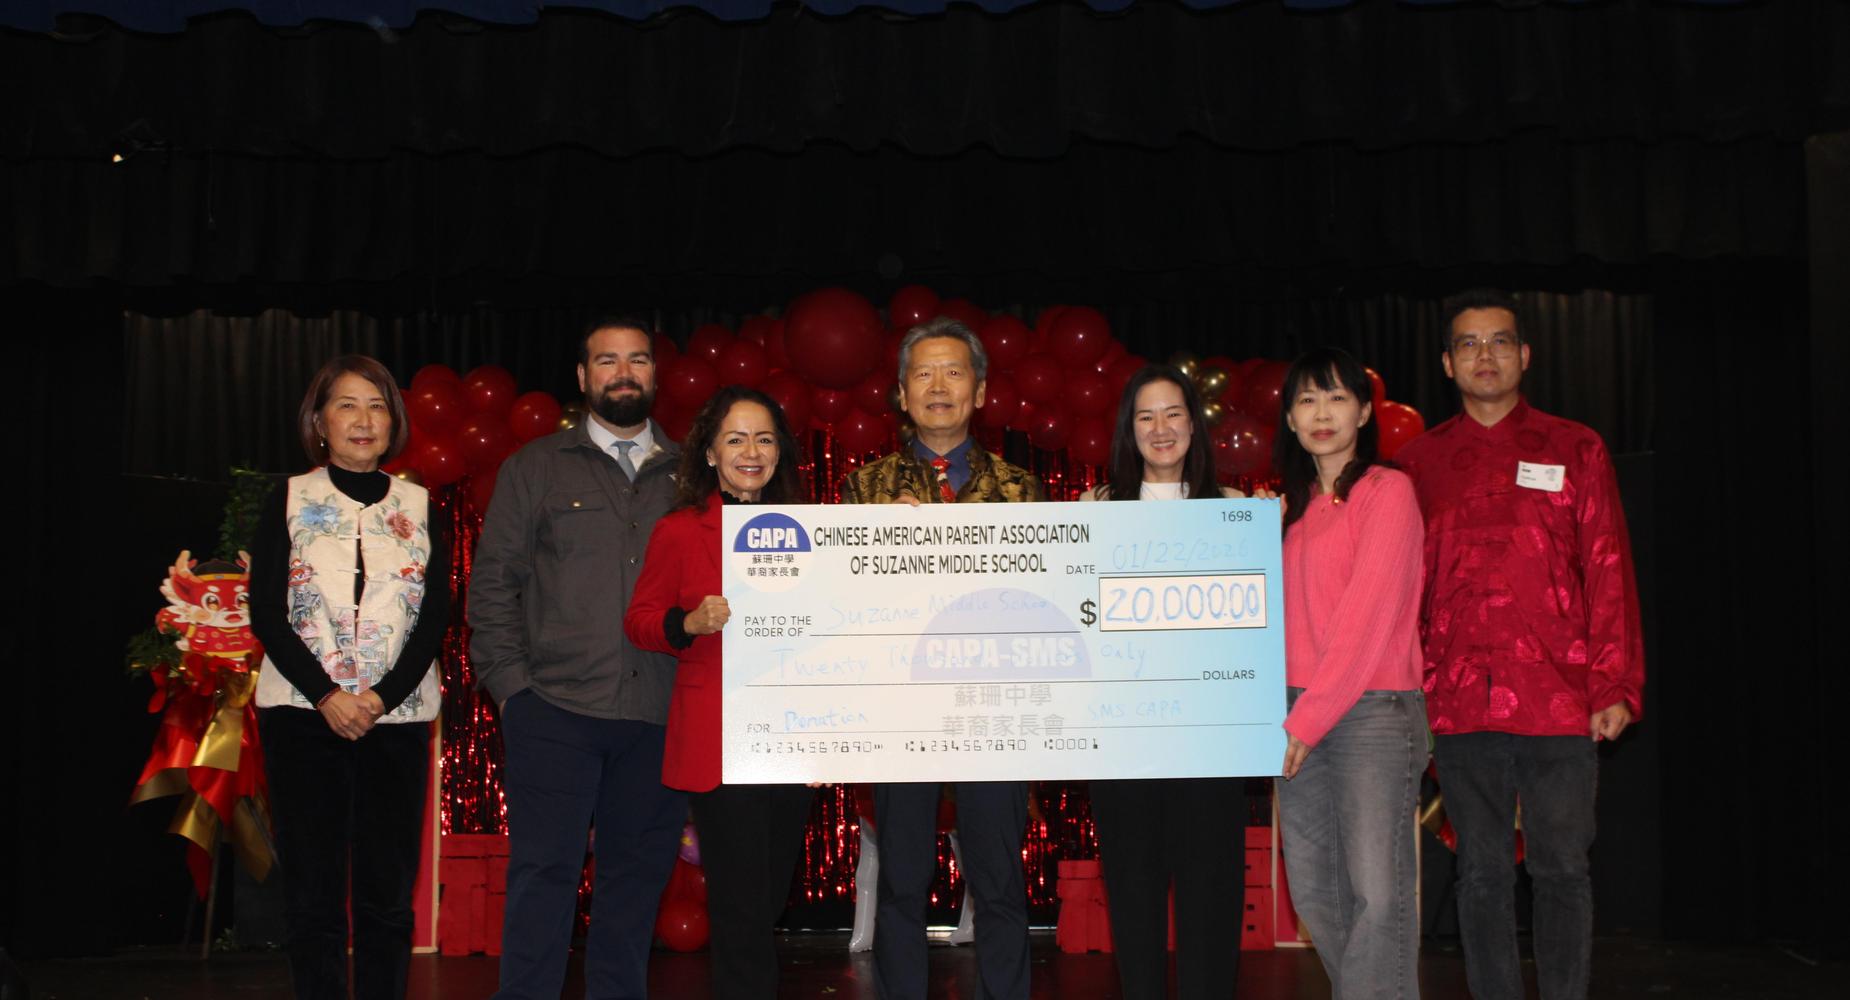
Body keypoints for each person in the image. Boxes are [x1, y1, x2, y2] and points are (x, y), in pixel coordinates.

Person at [1396, 290, 1644, 1000]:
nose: (1486, 355)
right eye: (1469, 344)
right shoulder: (1416, 464)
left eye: (1500, 341)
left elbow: (1608, 568)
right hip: (1456, 701)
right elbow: (1400, 588)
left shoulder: (1576, 448)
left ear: (1525, 355)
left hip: (1560, 700)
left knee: (1562, 869)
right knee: (1481, 874)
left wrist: (1614, 685)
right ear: (1447, 363)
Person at [470, 318, 686, 1000]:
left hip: (659, 713)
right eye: (607, 360)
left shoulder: (693, 473)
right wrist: (513, 691)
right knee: (543, 878)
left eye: (637, 360)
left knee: (634, 886)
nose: (623, 373)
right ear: (583, 376)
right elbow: (493, 584)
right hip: (554, 711)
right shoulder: (534, 467)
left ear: (654, 373)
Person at [839, 316, 1040, 1000]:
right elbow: (846, 608)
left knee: (999, 881)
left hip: (994, 707)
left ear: (979, 391)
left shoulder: (1020, 490)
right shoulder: (865, 491)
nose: (938, 386)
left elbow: (1038, 606)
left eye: (954, 372)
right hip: (903, 710)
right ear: (901, 394)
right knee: (901, 879)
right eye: (922, 374)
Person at [251, 354, 448, 1000]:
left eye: (377, 406)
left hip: (397, 721)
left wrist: (379, 699)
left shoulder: (421, 506)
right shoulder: (289, 497)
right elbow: (266, 612)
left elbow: (434, 617)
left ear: (393, 423)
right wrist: (328, 696)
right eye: (347, 405)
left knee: (386, 895)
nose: (364, 420)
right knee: (312, 894)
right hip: (301, 717)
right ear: (319, 422)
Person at [623, 386, 816, 999]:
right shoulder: (680, 531)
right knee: (740, 907)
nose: (751, 451)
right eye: (735, 439)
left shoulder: (813, 532)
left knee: (768, 898)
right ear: (709, 452)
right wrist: (688, 622)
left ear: (779, 452)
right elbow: (640, 621)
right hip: (720, 743)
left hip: (790, 740)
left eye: (764, 439)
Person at [1078, 364, 1249, 1000]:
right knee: (1134, 896)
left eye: (1173, 413)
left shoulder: (1236, 511)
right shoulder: (1095, 510)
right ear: (1129, 430)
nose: (1160, 428)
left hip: (1211, 740)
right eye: (1145, 416)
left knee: (1211, 899)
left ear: (1194, 425)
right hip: (1126, 740)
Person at [1270, 346, 1427, 1000]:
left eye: (1337, 397)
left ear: (1364, 412)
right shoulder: (1291, 512)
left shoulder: (1387, 492)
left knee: (1377, 893)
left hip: (1371, 712)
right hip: (1299, 713)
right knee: (1316, 892)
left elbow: (1366, 621)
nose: (1322, 413)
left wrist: (1305, 720)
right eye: (1307, 400)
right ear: (1289, 419)